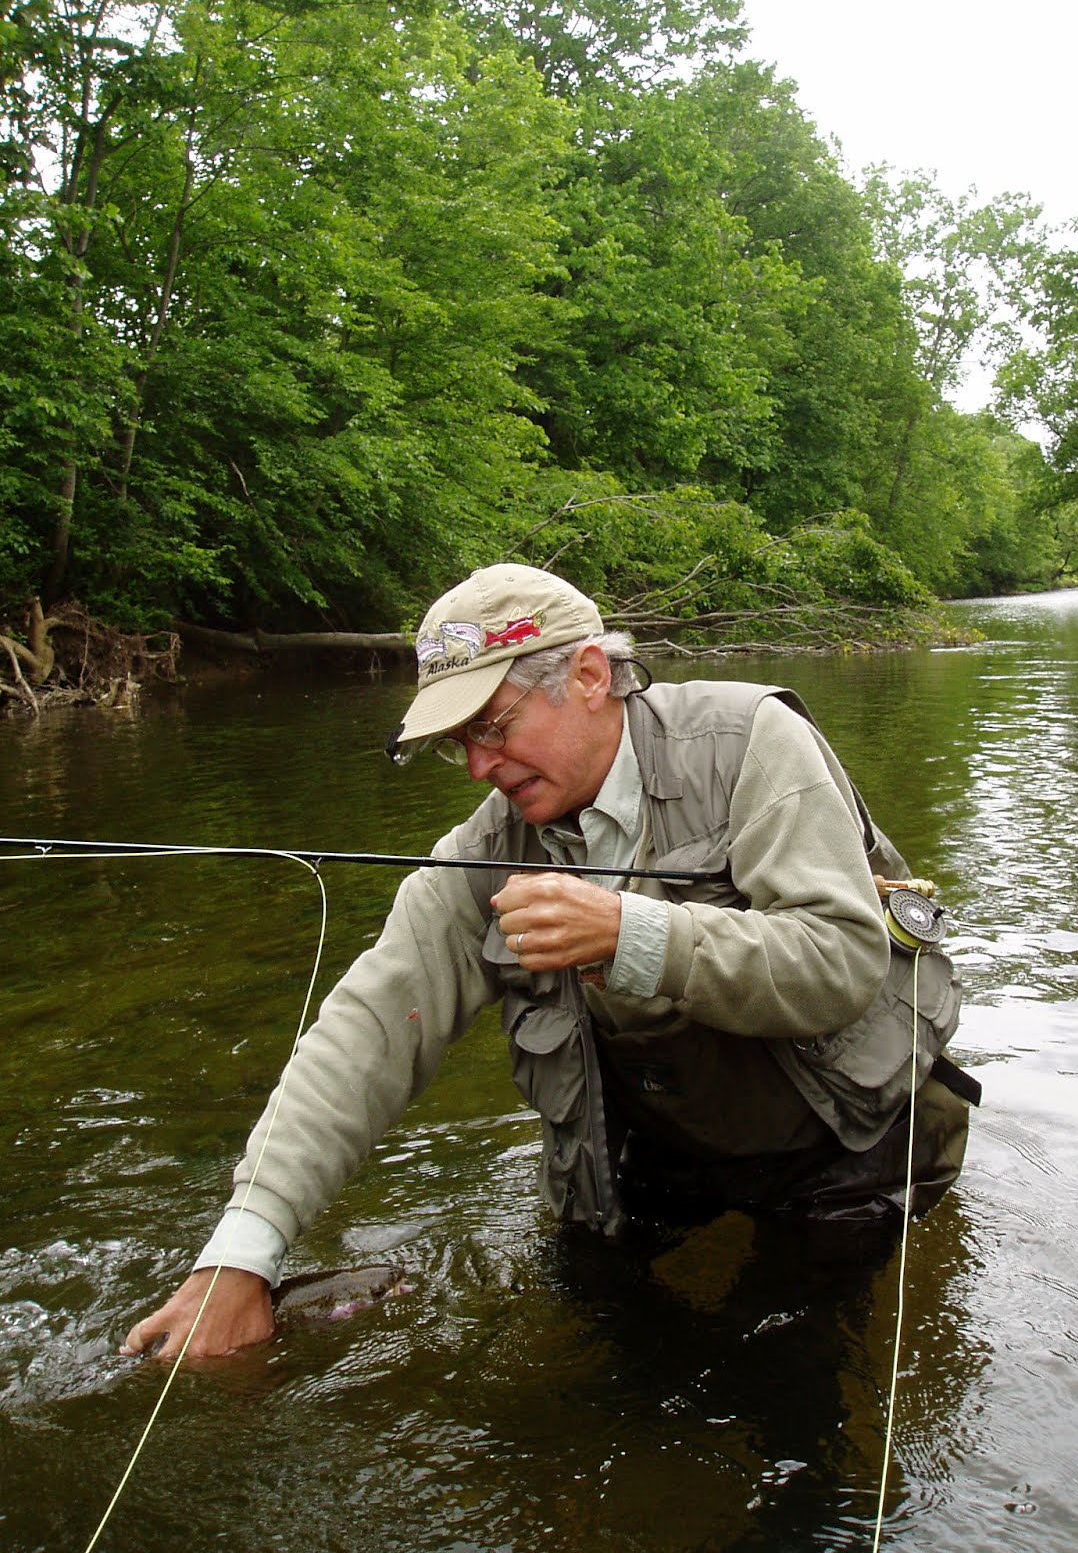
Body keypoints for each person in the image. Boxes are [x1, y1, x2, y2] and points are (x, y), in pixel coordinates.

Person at [122, 563, 972, 1359]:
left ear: (591, 677)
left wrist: (632, 936)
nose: (479, 769)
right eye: (460, 743)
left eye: (491, 727)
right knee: (615, 1362)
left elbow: (840, 959)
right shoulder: (484, 852)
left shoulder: (753, 743)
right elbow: (369, 1030)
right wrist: (240, 1254)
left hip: (848, 1143)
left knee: (782, 1388)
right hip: (660, 1160)